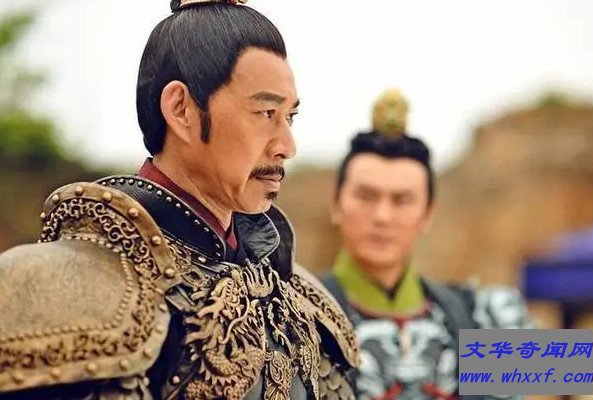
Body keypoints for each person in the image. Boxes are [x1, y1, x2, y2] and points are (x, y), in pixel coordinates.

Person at [0, 1, 359, 399]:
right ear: (181, 109)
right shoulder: (59, 288)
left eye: (289, 117)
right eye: (265, 112)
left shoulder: (303, 298)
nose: (287, 146)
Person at [321, 89, 532, 400]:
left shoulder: (477, 318)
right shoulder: (297, 319)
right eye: (366, 196)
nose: (382, 216)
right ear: (336, 204)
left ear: (428, 213)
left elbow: (577, 371)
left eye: (402, 200)